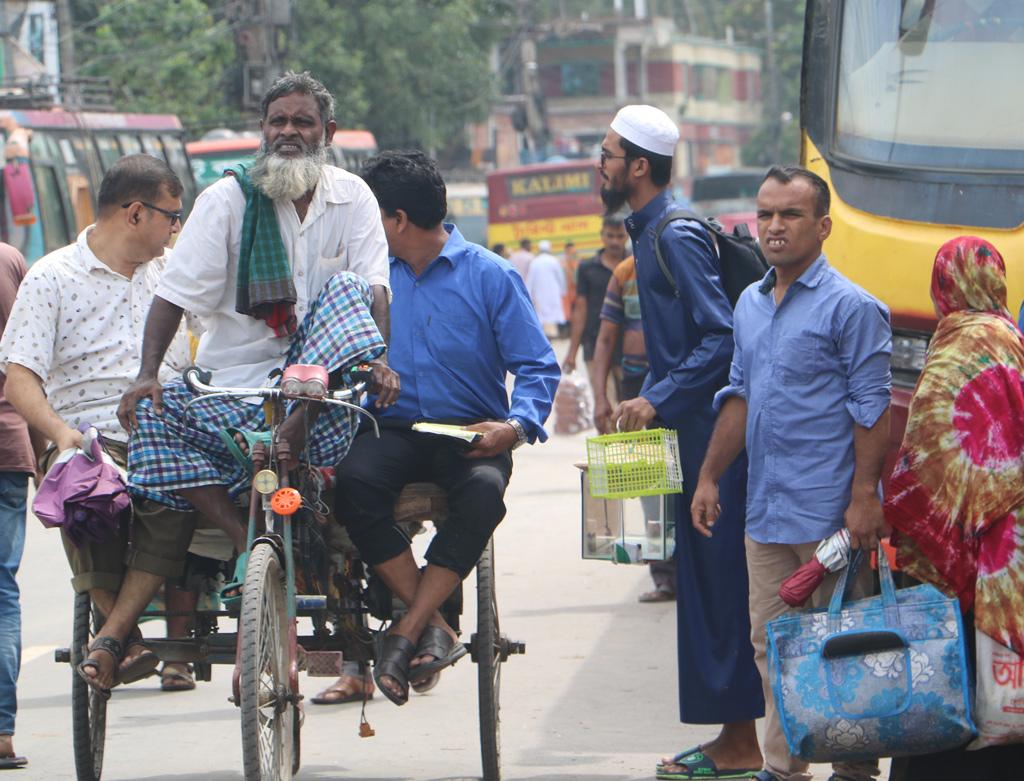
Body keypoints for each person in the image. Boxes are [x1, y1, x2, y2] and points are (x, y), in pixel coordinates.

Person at [117, 70, 397, 678]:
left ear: (327, 132)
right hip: (235, 389)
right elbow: (173, 296)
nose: (289, 132)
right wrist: (145, 375)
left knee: (348, 288)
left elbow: (375, 291)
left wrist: (376, 360)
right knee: (152, 419)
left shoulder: (354, 197)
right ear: (263, 130)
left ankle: (299, 434)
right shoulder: (228, 199)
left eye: (302, 122)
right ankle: (243, 540)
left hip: (322, 400)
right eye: (278, 122)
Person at [335, 150, 558, 707]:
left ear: (397, 220)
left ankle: (407, 629)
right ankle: (428, 621)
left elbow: (536, 365)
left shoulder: (490, 274)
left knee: (485, 493)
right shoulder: (366, 280)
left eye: (370, 217)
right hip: (392, 430)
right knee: (351, 483)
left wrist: (515, 426)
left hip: (470, 432)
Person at [691, 165, 892, 781]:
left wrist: (862, 499)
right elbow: (740, 395)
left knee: (839, 646)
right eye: (766, 214)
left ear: (823, 226)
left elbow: (873, 408)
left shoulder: (853, 308)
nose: (774, 227)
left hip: (830, 518)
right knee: (773, 646)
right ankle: (784, 767)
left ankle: (853, 772)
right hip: (766, 512)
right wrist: (708, 477)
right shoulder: (750, 303)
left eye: (790, 215)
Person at [601, 104, 765, 780]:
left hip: (712, 440)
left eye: (609, 153)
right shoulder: (647, 231)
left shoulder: (673, 233)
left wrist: (656, 396)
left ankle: (742, 743)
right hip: (683, 435)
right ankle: (736, 738)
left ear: (639, 166)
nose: (600, 164)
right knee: (701, 585)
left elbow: (723, 334)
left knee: (722, 585)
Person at [0, 154, 199, 697]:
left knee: (184, 492)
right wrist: (60, 434)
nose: (176, 227)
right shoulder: (52, 277)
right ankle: (122, 635)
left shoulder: (177, 274)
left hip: (167, 433)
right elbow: (19, 381)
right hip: (84, 433)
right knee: (82, 489)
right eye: (170, 215)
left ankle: (112, 637)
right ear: (136, 213)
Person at [885, 236, 1024, 781]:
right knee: (1000, 675)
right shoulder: (1013, 339)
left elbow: (926, 458)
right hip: (1009, 551)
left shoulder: (957, 345)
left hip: (957, 551)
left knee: (949, 674)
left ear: (943, 286)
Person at [592, 255, 674, 602]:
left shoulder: (681, 263)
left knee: (685, 483)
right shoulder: (624, 273)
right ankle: (665, 576)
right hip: (634, 387)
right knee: (651, 488)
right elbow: (606, 337)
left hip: (678, 384)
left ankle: (693, 573)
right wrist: (600, 397)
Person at [0, 244, 35, 769]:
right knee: (2, 588)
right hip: (7, 442)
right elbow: (30, 359)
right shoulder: (8, 260)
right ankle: (1, 734)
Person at [563, 217, 628, 403]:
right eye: (610, 236)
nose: (615, 241)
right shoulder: (587, 268)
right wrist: (572, 352)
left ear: (627, 236)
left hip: (629, 345)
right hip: (595, 342)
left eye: (620, 236)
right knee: (605, 404)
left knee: (629, 405)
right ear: (602, 236)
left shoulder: (636, 263)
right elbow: (580, 309)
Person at [526, 239, 567, 339]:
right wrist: (563, 290)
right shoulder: (554, 260)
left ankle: (545, 335)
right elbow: (560, 277)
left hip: (540, 292)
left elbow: (530, 279)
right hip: (553, 291)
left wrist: (528, 293)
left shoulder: (535, 262)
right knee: (553, 314)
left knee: (542, 315)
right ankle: (553, 335)